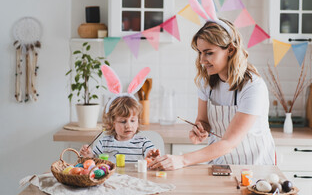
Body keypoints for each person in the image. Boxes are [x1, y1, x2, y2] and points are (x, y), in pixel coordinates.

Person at [149, 16, 275, 170]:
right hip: (219, 164)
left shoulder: (253, 87)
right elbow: (203, 120)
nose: (202, 60)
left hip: (254, 166)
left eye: (209, 53)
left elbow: (229, 142)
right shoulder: (206, 82)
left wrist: (182, 160)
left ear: (230, 50)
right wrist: (200, 129)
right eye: (200, 52)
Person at [80, 93, 160, 164]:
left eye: (132, 120)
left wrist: (152, 155)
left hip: (134, 179)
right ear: (112, 122)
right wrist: (88, 155)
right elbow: (94, 160)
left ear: (138, 121)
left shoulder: (143, 143)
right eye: (123, 121)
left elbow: (151, 155)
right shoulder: (104, 143)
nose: (128, 125)